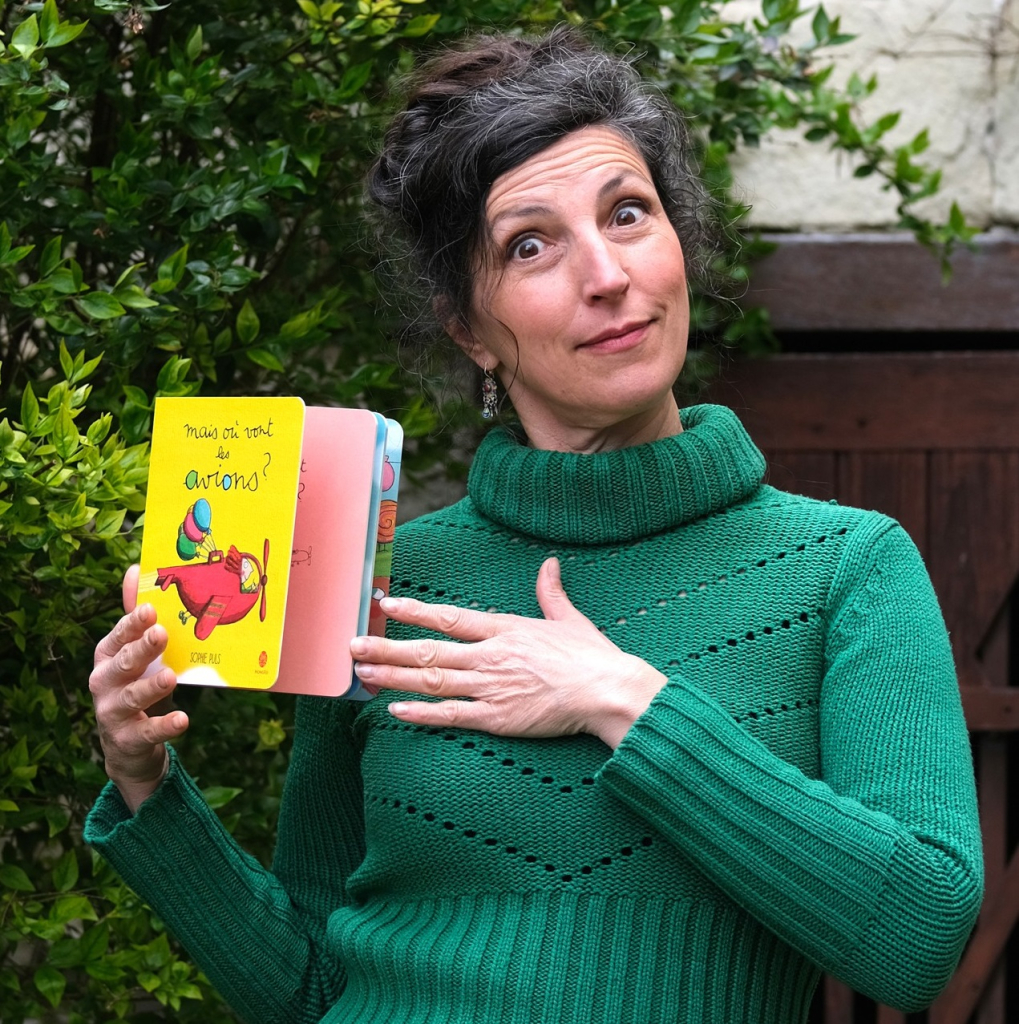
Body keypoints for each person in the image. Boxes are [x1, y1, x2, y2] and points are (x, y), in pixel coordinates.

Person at [85, 26, 982, 1024]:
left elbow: (919, 936)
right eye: (530, 244)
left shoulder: (845, 568)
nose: (605, 274)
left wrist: (624, 700)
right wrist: (144, 779)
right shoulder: (379, 585)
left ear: (678, 242)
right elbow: (307, 992)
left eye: (627, 213)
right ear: (468, 328)